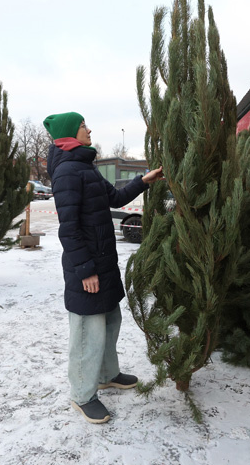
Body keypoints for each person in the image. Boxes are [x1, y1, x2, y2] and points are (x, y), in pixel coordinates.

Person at [43, 112, 164, 424]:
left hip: (103, 262)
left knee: (110, 321)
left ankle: (107, 374)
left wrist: (143, 181)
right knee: (87, 332)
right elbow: (68, 230)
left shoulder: (86, 168)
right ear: (71, 133)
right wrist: (85, 270)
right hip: (87, 267)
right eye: (84, 126)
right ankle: (82, 394)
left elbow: (116, 197)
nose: (89, 129)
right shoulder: (68, 172)